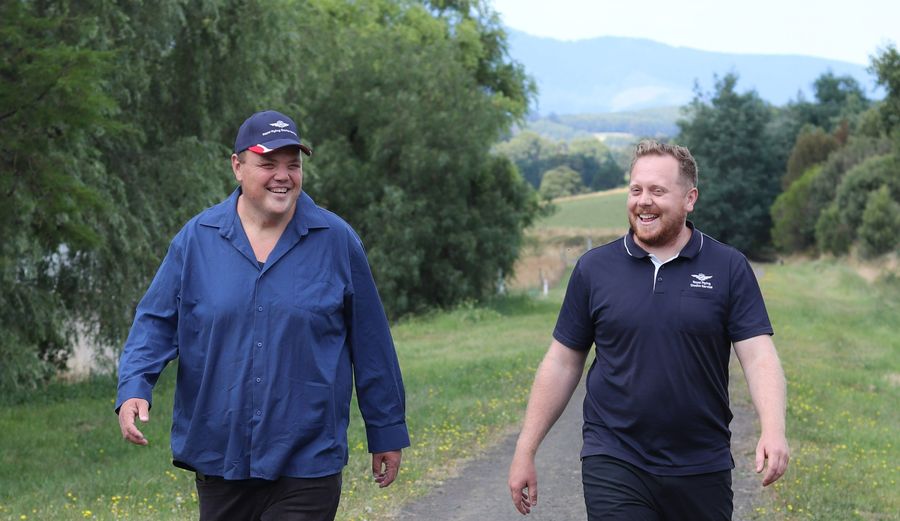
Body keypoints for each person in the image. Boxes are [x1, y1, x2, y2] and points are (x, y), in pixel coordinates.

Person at [115, 110, 409, 521]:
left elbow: (372, 343)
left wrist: (386, 431)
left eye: (293, 164)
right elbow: (157, 321)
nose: (282, 175)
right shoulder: (196, 240)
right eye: (268, 163)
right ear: (237, 165)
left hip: (308, 460)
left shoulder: (337, 241)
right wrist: (134, 386)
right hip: (221, 457)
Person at [508, 140, 789, 521]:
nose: (643, 201)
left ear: (690, 198)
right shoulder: (595, 269)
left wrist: (773, 430)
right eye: (636, 189)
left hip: (702, 463)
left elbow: (758, 356)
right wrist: (526, 449)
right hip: (614, 456)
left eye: (658, 191)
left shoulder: (728, 267)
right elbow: (562, 361)